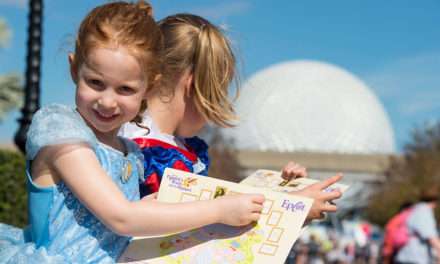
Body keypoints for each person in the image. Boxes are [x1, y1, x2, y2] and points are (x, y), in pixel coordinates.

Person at [0, 2, 265, 263]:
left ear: (149, 88)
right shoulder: (61, 132)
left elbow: (139, 216)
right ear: (74, 68)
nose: (107, 101)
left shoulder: (130, 151)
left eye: (124, 89)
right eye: (95, 82)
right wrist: (218, 209)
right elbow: (122, 217)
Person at [119, 13, 343, 221]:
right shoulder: (146, 152)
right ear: (194, 85)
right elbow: (190, 233)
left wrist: (282, 193)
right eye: (215, 93)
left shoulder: (146, 141)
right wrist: (292, 208)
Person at [394, 185, 440, 264]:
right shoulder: (424, 211)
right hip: (414, 256)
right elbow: (430, 236)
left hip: (407, 255)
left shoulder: (416, 209)